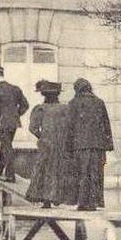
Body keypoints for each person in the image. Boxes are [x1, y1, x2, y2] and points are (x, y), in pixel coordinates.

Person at [26, 80, 77, 208]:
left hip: (46, 144)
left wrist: (42, 136)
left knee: (44, 170)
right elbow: (72, 127)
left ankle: (46, 201)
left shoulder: (40, 109)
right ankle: (58, 198)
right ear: (58, 95)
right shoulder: (66, 108)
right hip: (62, 145)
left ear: (44, 95)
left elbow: (33, 128)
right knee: (59, 170)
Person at [67, 78, 114, 211]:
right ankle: (94, 202)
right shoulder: (99, 103)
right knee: (96, 173)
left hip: (79, 145)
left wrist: (68, 147)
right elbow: (106, 124)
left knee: (81, 173)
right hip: (98, 145)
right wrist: (108, 145)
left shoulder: (73, 103)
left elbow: (69, 127)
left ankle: (82, 202)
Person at [0, 66, 28, 182]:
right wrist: (16, 115)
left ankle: (10, 175)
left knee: (7, 147)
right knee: (5, 144)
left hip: (1, 122)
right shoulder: (15, 89)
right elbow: (25, 105)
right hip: (13, 123)